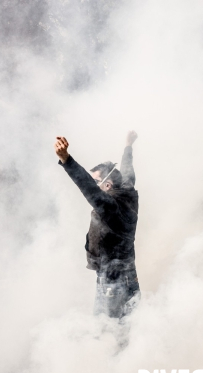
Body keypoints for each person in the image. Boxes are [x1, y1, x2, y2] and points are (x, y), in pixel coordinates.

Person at [55, 131, 140, 319]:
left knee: (107, 333)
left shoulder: (110, 207)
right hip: (126, 279)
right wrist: (128, 145)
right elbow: (127, 169)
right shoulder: (127, 190)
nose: (94, 185)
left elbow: (87, 187)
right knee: (126, 332)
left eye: (97, 182)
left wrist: (66, 160)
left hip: (113, 284)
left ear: (108, 185)